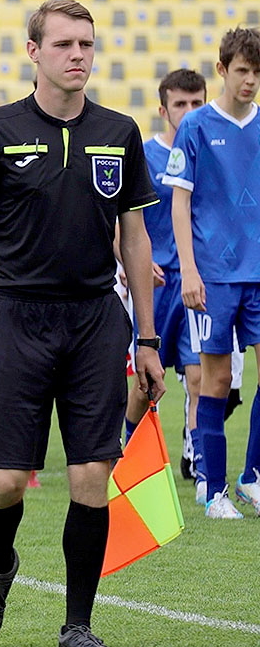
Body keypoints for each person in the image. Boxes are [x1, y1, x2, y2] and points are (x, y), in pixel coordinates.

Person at [0, 0, 164, 647]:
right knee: (5, 481)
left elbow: (137, 237)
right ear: (33, 51)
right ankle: (0, 564)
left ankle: (78, 628)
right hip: (17, 318)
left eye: (87, 44)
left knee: (91, 474)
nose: (78, 55)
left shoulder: (119, 132)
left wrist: (147, 338)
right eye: (64, 44)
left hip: (95, 320)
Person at [166, 27, 260, 518]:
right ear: (223, 69)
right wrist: (188, 269)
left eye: (257, 73)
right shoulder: (197, 126)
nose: (250, 81)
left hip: (259, 272)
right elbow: (180, 202)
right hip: (214, 275)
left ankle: (251, 478)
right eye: (242, 71)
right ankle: (215, 489)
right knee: (215, 381)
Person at [123, 70, 206, 483]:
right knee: (145, 380)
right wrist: (128, 261)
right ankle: (128, 449)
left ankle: (195, 456)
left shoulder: (211, 150)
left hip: (196, 278)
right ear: (163, 110)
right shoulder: (142, 153)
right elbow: (121, 215)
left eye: (196, 104)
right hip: (151, 283)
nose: (189, 112)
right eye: (180, 104)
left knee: (199, 374)